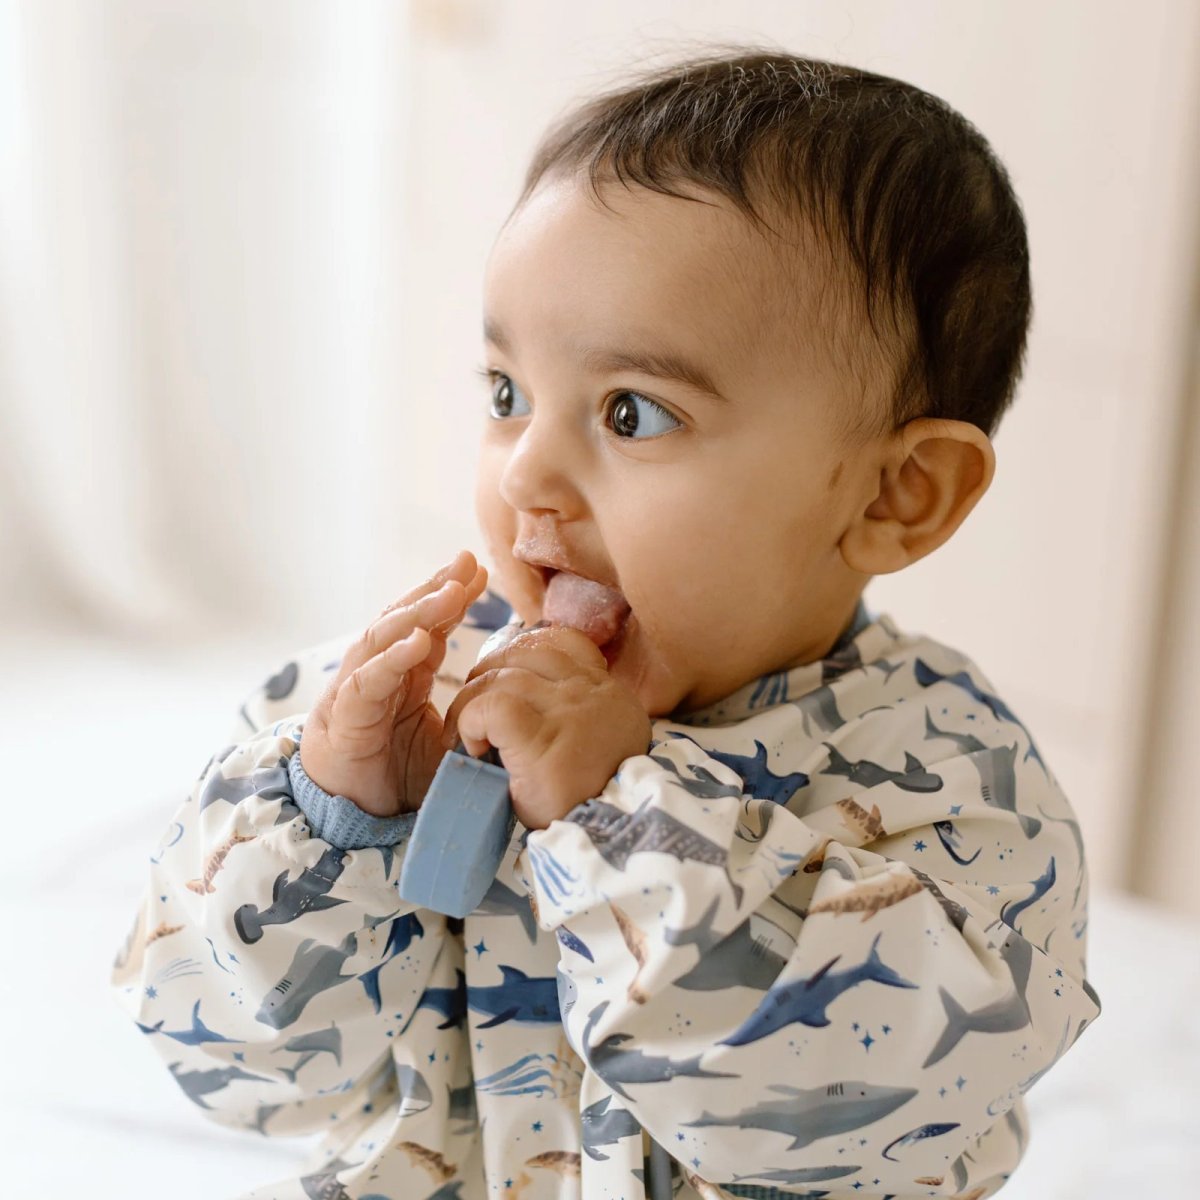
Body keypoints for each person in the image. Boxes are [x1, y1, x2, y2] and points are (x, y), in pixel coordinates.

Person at [110, 48, 1102, 1200]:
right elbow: (238, 1071)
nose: (528, 467)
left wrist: (617, 819)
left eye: (633, 413)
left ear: (895, 495)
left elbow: (838, 1105)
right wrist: (331, 826)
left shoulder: (951, 782)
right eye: (505, 394)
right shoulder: (390, 711)